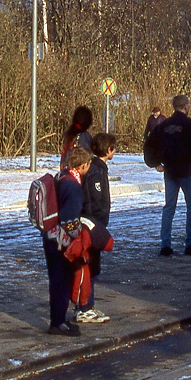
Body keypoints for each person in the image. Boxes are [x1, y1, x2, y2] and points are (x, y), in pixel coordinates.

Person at [144, 94, 191, 256]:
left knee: (169, 207)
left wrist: (155, 163)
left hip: (170, 171)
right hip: (186, 169)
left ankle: (165, 245)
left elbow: (149, 145)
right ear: (186, 106)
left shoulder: (163, 125)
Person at [44, 147, 92, 337]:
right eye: (88, 166)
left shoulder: (61, 176)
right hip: (60, 240)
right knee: (61, 280)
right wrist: (79, 238)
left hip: (49, 234)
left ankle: (58, 319)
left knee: (56, 279)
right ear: (82, 166)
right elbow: (69, 219)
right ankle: (58, 322)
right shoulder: (73, 186)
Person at [78, 132, 116, 324]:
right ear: (108, 150)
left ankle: (88, 305)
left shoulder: (97, 168)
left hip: (92, 223)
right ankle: (85, 306)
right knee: (90, 267)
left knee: (93, 266)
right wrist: (97, 224)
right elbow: (94, 200)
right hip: (92, 224)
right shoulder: (96, 172)